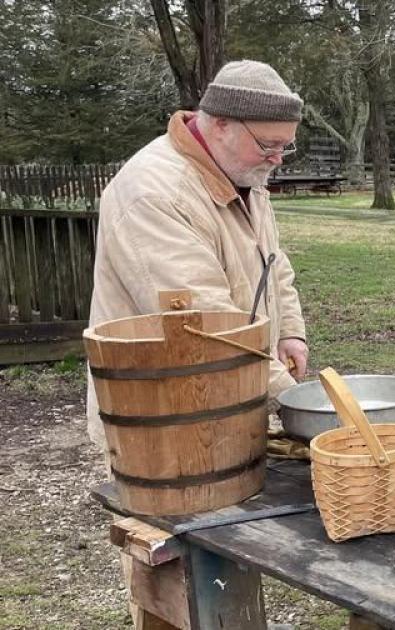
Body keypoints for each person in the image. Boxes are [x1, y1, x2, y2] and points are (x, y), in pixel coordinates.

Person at [86, 60, 309, 451]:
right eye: (268, 145)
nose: (277, 159)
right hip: (164, 417)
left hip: (231, 394)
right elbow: (203, 323)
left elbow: (274, 262)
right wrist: (296, 402)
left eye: (285, 145)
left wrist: (290, 330)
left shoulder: (242, 172)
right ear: (221, 123)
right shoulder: (154, 194)